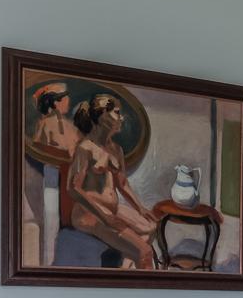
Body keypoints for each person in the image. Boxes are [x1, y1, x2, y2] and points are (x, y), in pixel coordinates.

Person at [61, 91, 158, 269]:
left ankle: (126, 265)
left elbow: (122, 184)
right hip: (89, 214)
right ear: (103, 116)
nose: (122, 118)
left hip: (112, 210)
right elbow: (73, 188)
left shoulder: (117, 150)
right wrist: (103, 216)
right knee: (145, 251)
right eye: (117, 113)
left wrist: (140, 207)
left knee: (151, 227)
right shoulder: (85, 148)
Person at [20, 84, 78, 266]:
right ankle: (49, 263)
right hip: (52, 178)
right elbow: (41, 151)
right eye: (64, 97)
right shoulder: (44, 124)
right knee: (51, 220)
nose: (68, 100)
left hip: (72, 180)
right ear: (54, 102)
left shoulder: (70, 126)